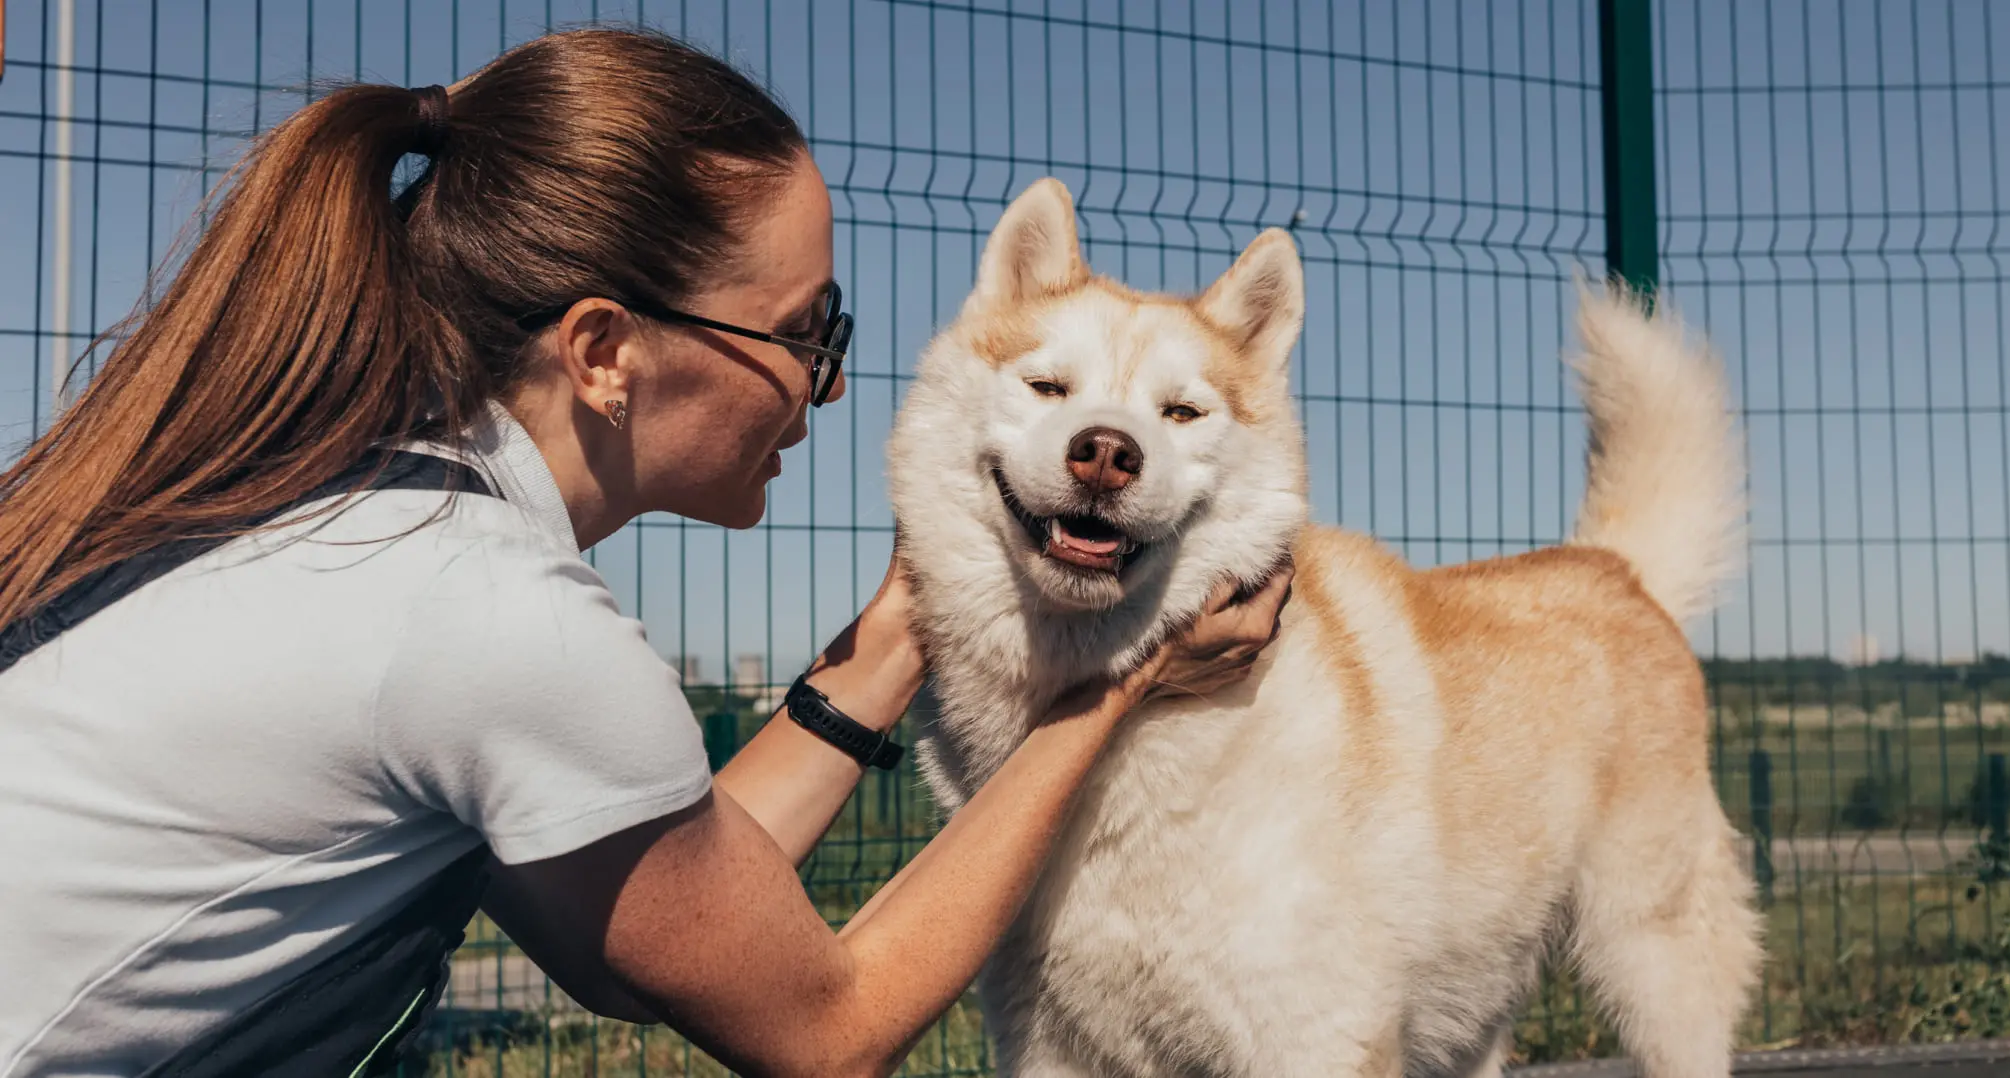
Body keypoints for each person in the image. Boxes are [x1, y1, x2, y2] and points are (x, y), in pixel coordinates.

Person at [0, 28, 1290, 1078]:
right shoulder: (489, 614)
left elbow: (646, 934)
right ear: (608, 352)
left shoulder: (349, 499)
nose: (821, 388)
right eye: (802, 332)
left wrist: (901, 631)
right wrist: (1118, 691)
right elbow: (826, 1028)